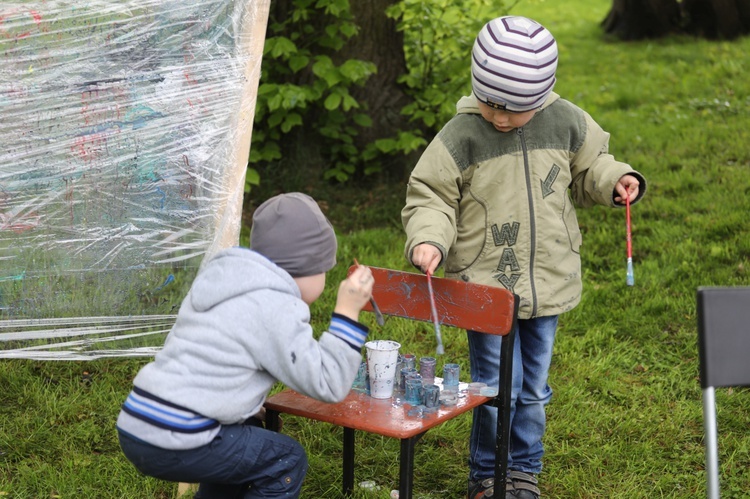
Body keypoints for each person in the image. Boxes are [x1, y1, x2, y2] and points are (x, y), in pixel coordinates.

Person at [401, 16, 647, 499]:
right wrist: (429, 238)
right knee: (495, 390)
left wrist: (614, 179)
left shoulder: (567, 121)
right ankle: (487, 476)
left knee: (533, 390)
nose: (500, 118)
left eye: (515, 110)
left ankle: (523, 472)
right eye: (491, 103)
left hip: (548, 280)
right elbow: (430, 195)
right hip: (486, 286)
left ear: (541, 97)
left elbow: (591, 165)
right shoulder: (461, 135)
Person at [117, 192, 375, 498]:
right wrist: (347, 312)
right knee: (284, 460)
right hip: (181, 435)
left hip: (137, 422)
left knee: (242, 447)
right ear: (304, 267)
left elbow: (215, 362)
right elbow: (328, 384)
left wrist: (245, 403)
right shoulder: (276, 305)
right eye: (323, 270)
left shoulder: (223, 281)